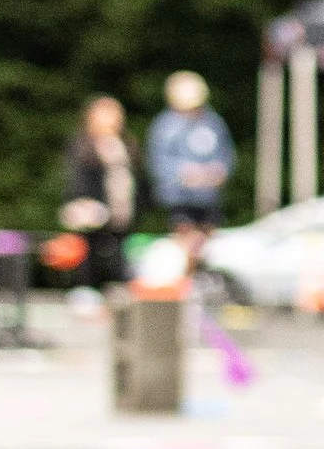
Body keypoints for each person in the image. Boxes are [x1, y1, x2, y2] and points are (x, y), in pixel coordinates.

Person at [144, 72, 235, 253]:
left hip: (208, 197)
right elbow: (157, 162)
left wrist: (220, 171)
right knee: (186, 242)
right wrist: (182, 173)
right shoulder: (165, 125)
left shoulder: (212, 122)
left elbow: (226, 155)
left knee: (209, 246)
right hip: (179, 198)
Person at [59, 96, 136, 293]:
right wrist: (87, 204)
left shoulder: (126, 144)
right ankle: (86, 289)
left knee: (119, 253)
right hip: (91, 209)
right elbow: (77, 179)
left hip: (120, 209)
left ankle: (117, 289)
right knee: (88, 251)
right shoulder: (82, 144)